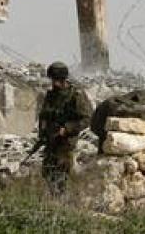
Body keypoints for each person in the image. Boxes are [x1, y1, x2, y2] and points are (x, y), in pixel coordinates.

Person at [36, 61, 92, 194]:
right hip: (51, 141)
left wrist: (67, 129)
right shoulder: (51, 95)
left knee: (61, 174)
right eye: (52, 80)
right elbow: (43, 116)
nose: (54, 83)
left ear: (63, 79)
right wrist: (43, 133)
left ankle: (62, 200)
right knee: (47, 172)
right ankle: (54, 199)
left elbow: (86, 119)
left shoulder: (76, 95)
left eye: (56, 80)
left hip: (66, 142)